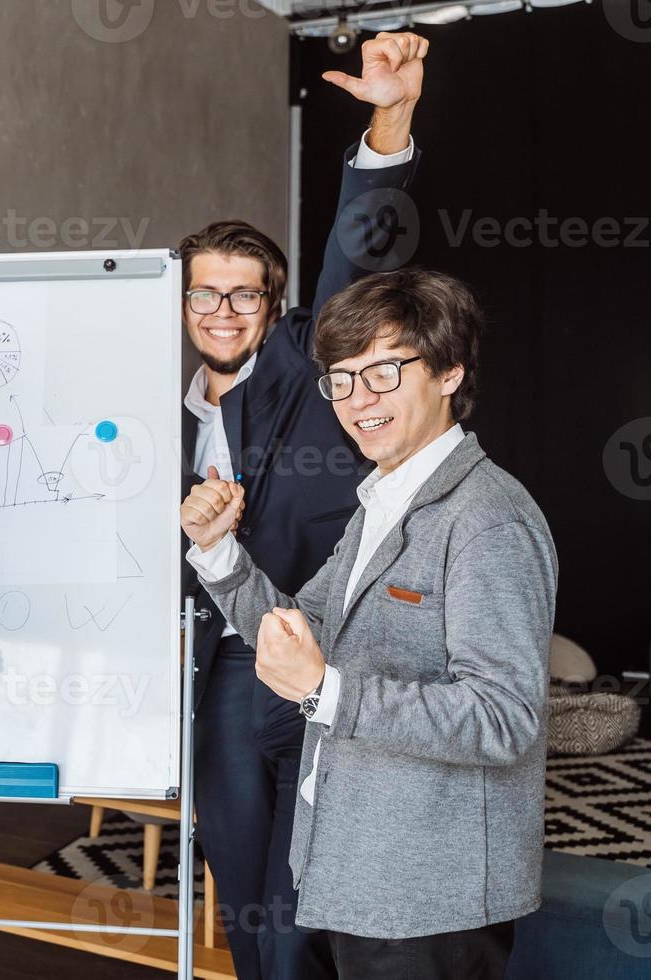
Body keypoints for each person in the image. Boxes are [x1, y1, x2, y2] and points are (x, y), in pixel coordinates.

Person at [182, 268, 556, 980]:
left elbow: (504, 718)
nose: (358, 401)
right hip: (354, 871)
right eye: (342, 379)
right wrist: (219, 552)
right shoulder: (382, 502)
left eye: (383, 372)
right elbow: (298, 630)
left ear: (449, 371)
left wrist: (326, 691)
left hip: (430, 897)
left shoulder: (488, 519)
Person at [179, 30, 429, 980]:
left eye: (247, 296)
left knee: (296, 905)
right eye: (207, 293)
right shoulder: (159, 413)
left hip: (320, 652)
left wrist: (389, 120)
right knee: (240, 889)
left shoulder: (295, 364)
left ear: (275, 308)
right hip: (223, 675)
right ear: (185, 300)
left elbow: (357, 259)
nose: (224, 312)